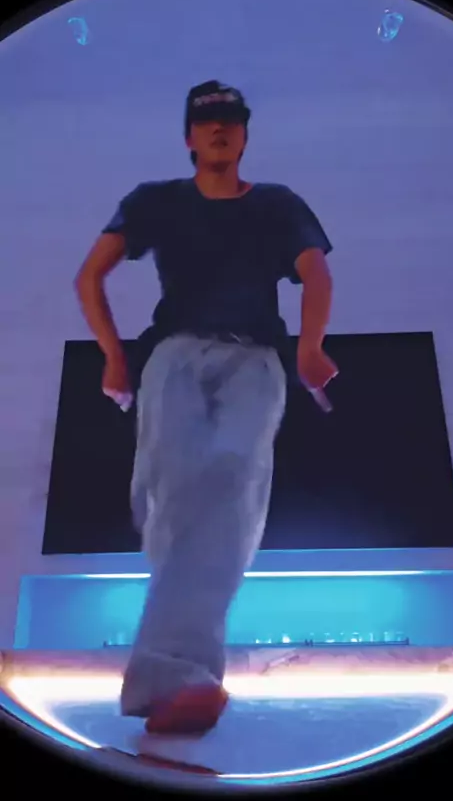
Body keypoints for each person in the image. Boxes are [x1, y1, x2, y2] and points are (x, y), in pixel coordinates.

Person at [74, 80, 338, 735]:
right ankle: (180, 669)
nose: (220, 129)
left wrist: (310, 348)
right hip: (175, 354)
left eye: (231, 120)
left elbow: (316, 273)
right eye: (207, 121)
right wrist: (112, 356)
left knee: (230, 482)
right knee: (171, 496)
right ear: (189, 136)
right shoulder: (156, 200)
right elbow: (90, 275)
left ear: (245, 134)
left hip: (255, 359)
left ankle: (173, 674)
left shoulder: (276, 203)